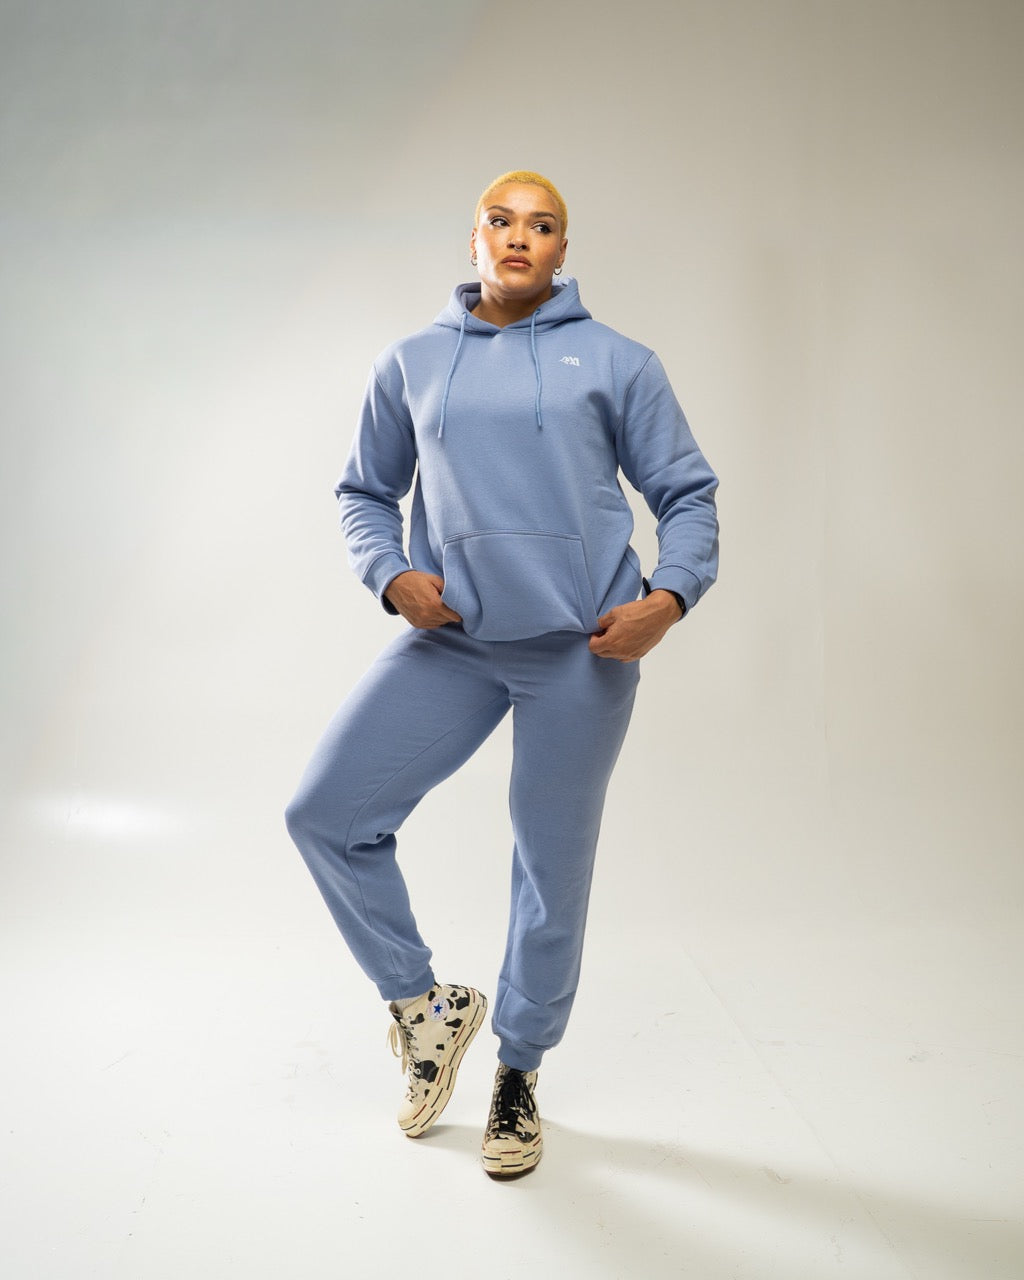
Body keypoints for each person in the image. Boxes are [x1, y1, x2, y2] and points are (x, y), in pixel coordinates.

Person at [285, 170, 718, 1179]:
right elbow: (363, 491)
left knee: (548, 869)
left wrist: (669, 597)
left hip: (581, 648)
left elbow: (687, 493)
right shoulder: (411, 360)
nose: (519, 236)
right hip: (454, 640)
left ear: (563, 251)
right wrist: (390, 573)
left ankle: (518, 1070)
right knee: (326, 814)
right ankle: (425, 1008)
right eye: (500, 220)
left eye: (542, 224)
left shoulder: (618, 361)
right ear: (472, 239)